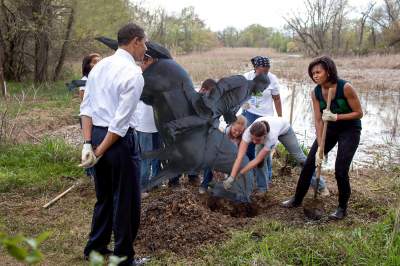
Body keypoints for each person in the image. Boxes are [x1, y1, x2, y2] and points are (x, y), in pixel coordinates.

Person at [79, 23, 147, 265]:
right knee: (125, 199)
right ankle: (123, 258)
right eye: (144, 43)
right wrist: (97, 149)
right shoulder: (133, 74)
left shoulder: (99, 67)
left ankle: (95, 248)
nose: (145, 49)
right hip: (117, 143)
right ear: (136, 41)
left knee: (105, 196)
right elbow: (119, 124)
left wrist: (89, 144)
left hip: (97, 136)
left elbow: (85, 109)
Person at [282, 56, 363, 220]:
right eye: (312, 73)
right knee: (309, 163)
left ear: (328, 71)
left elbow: (359, 113)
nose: (315, 76)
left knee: (340, 170)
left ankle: (342, 208)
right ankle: (297, 199)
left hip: (350, 129)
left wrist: (336, 117)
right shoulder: (316, 92)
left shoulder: (345, 87)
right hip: (329, 129)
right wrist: (320, 146)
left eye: (318, 72)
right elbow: (318, 119)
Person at [224, 116, 328, 195]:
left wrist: (240, 173)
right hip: (265, 130)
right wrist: (232, 177)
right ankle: (262, 189)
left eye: (258, 140)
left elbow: (256, 159)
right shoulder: (248, 133)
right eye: (253, 139)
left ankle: (321, 186)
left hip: (285, 130)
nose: (254, 142)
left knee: (300, 159)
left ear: (264, 136)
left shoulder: (271, 137)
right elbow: (240, 157)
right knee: (260, 163)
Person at [242, 56, 282, 184]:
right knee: (249, 146)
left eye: (267, 70)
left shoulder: (272, 79)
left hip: (265, 117)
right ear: (255, 68)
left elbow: (276, 99)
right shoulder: (247, 77)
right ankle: (251, 175)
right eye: (261, 71)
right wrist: (243, 103)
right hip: (249, 114)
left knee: (264, 148)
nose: (264, 73)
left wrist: (280, 118)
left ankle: (267, 176)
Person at [199, 115, 247, 194]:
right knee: (210, 165)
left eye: (240, 131)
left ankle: (224, 188)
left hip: (232, 159)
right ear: (231, 125)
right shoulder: (223, 133)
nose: (237, 133)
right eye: (235, 130)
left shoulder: (244, 138)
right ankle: (204, 184)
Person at [137, 54, 162, 197]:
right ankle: (142, 187)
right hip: (144, 124)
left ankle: (156, 182)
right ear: (144, 63)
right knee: (145, 157)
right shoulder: (140, 78)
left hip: (158, 124)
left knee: (157, 156)